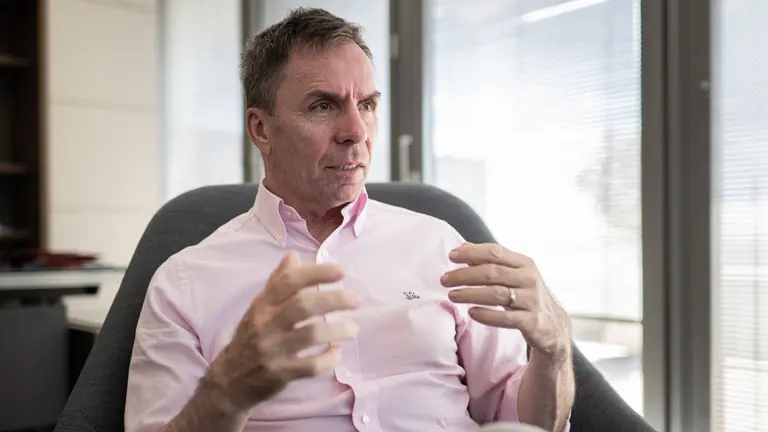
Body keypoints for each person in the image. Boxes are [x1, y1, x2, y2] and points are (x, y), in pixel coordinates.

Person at [125, 7, 574, 432]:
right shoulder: (184, 284)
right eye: (323, 106)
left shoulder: (441, 246)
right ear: (261, 129)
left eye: (368, 105)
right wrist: (227, 391)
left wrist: (554, 353)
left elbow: (521, 421)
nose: (356, 132)